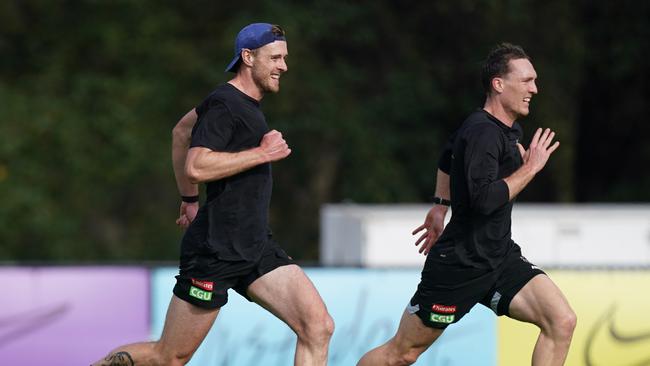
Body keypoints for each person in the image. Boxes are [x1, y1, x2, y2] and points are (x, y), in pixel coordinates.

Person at [92, 23, 334, 366]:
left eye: (285, 58)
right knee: (169, 357)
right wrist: (263, 154)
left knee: (317, 327)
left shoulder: (238, 103)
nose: (284, 66)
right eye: (276, 57)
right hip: (216, 249)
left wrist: (189, 200)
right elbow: (196, 165)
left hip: (254, 245)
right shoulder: (226, 103)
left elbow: (181, 131)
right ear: (248, 57)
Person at [357, 43, 576, 366]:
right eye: (527, 80)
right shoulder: (482, 133)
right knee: (402, 354)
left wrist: (440, 204)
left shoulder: (507, 128)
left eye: (534, 80)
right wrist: (530, 168)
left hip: (499, 258)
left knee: (562, 321)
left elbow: (448, 155)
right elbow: (485, 201)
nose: (534, 88)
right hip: (460, 265)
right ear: (498, 85)